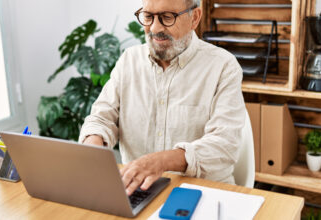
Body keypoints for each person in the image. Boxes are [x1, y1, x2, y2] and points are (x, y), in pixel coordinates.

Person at [78, 0, 246, 196]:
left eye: (167, 17)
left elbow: (224, 144)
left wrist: (161, 161)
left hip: (204, 191)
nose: (155, 28)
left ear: (195, 18)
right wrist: (93, 148)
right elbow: (101, 119)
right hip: (137, 190)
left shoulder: (223, 66)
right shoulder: (129, 60)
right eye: (148, 17)